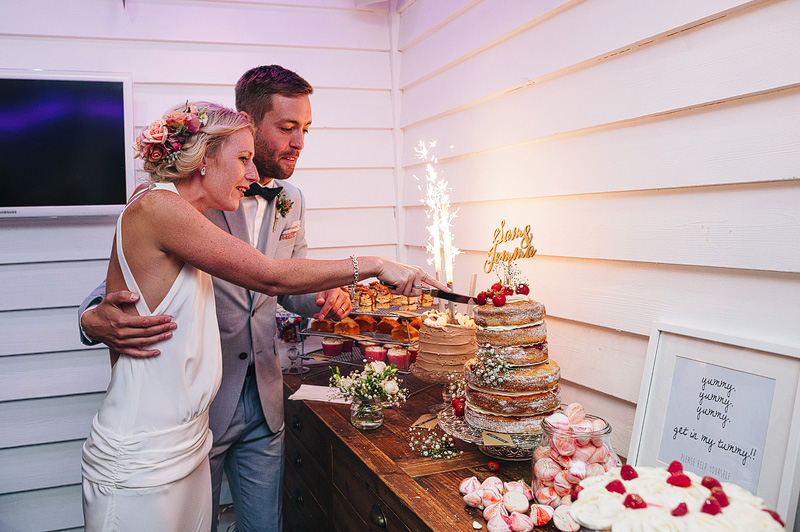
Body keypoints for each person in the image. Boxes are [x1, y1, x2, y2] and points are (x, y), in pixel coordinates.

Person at [79, 101, 445, 531]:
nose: (253, 174)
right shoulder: (158, 206)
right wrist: (376, 263)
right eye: (244, 157)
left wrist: (328, 291)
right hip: (145, 450)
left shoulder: (193, 204)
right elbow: (271, 276)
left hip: (199, 435)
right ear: (205, 157)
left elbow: (283, 285)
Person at [78, 65, 335, 532]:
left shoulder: (291, 199)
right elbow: (118, 286)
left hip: (266, 401)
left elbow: (283, 289)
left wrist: (322, 296)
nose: (299, 142)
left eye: (305, 129)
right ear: (249, 125)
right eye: (287, 128)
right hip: (199, 412)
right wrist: (90, 319)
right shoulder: (182, 199)